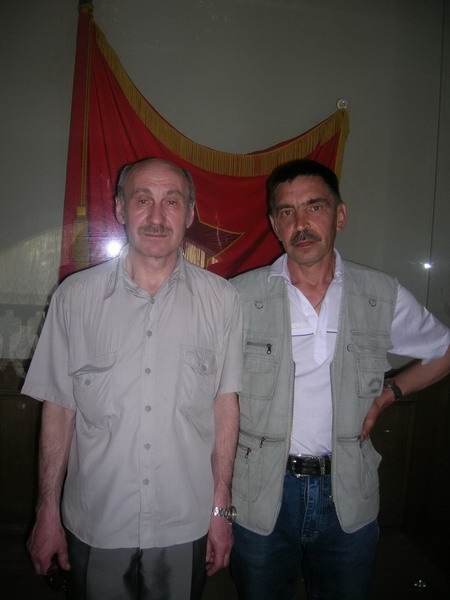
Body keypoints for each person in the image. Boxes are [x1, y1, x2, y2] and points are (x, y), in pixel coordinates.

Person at [229, 159, 450, 600]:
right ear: (274, 224)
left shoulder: (380, 294)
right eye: (287, 211)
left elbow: (443, 350)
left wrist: (388, 394)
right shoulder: (237, 297)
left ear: (340, 215)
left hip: (347, 491)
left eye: (315, 207)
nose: (301, 224)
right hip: (260, 492)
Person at [23, 157, 243, 600]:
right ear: (120, 209)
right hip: (96, 521)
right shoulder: (74, 298)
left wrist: (221, 509)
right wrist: (47, 511)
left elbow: (225, 407)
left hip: (184, 522)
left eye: (172, 202)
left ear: (190, 213)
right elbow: (58, 409)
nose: (157, 216)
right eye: (143, 200)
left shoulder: (222, 301)